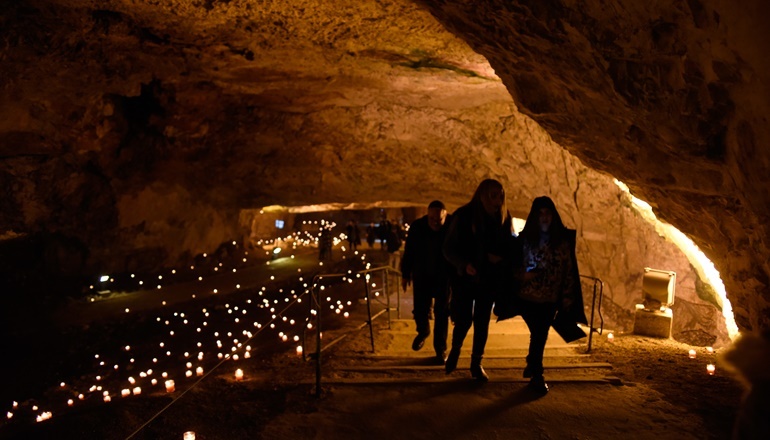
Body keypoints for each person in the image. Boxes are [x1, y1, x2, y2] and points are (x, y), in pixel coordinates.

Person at [443, 179, 514, 381]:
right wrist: (464, 264)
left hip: (489, 279)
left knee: (482, 321)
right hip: (465, 279)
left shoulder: (503, 217)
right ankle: (455, 350)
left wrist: (501, 259)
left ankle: (476, 363)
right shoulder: (463, 216)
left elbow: (508, 244)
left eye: (501, 195)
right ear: (482, 195)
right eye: (493, 195)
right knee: (464, 320)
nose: (498, 200)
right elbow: (448, 248)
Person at [515, 196, 587, 394]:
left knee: (539, 333)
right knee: (538, 333)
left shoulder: (561, 242)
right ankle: (533, 363)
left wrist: (567, 299)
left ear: (553, 215)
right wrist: (523, 275)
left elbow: (568, 272)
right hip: (528, 297)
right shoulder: (526, 239)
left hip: (549, 299)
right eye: (540, 214)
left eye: (547, 213)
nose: (544, 217)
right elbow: (514, 265)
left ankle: (537, 374)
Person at [400, 200, 452, 364]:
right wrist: (405, 273)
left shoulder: (452, 226)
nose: (436, 223)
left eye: (439, 220)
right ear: (427, 216)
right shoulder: (417, 227)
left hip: (444, 276)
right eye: (432, 220)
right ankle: (423, 331)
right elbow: (409, 251)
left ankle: (440, 350)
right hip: (423, 275)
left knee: (442, 313)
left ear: (445, 216)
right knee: (420, 309)